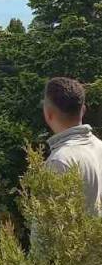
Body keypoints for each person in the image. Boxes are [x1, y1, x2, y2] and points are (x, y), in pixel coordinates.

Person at [43, 76, 102, 214]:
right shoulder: (99, 147)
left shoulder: (59, 161)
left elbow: (47, 228)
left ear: (48, 114)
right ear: (83, 110)